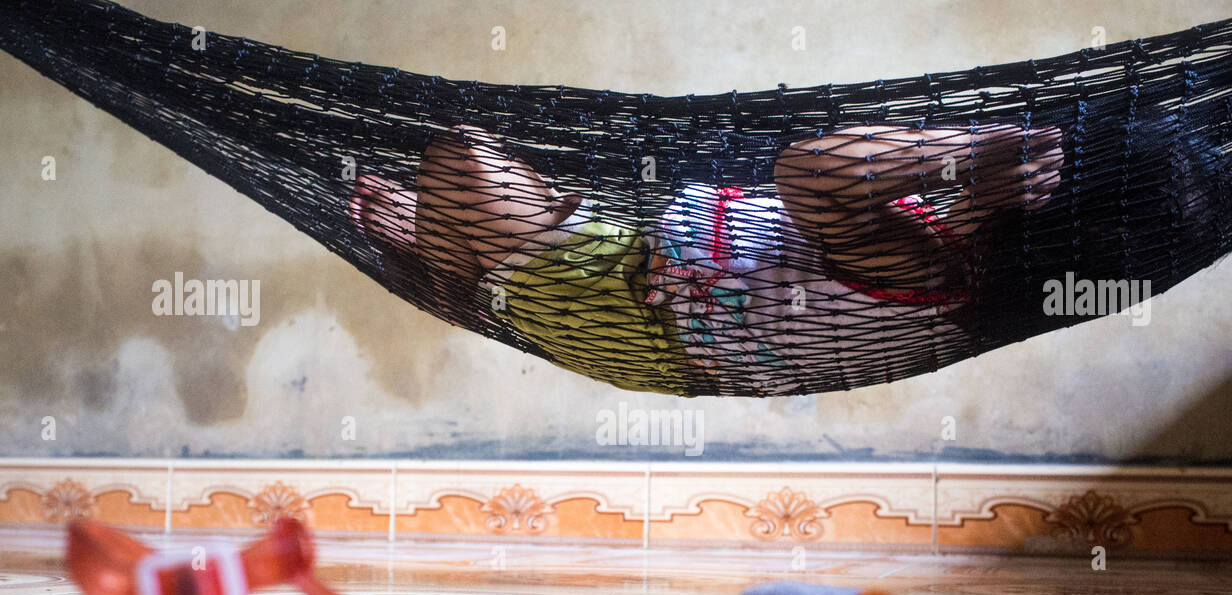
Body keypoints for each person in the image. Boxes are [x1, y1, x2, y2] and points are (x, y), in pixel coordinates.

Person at [349, 123, 1064, 394]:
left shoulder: (937, 276)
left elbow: (811, 168)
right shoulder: (953, 254)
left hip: (622, 310)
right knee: (504, 182)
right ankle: (454, 251)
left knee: (457, 158)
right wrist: (972, 173)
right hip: (632, 268)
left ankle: (443, 271)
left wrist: (963, 154)